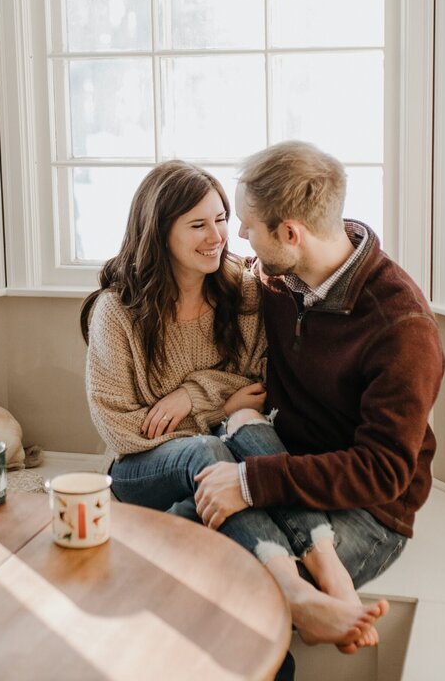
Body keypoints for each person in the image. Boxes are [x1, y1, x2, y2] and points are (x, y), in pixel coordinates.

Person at [81, 160, 386, 651]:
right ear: (158, 233)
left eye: (221, 218)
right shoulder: (118, 312)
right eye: (198, 224)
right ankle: (296, 591)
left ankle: (313, 588)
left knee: (236, 445)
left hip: (221, 457)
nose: (218, 236)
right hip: (140, 469)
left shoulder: (241, 289)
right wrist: (214, 407)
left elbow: (257, 382)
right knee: (215, 446)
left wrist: (191, 397)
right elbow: (122, 427)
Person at [193, 141, 445, 646]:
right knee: (178, 535)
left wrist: (249, 482)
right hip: (286, 466)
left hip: (368, 513)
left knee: (226, 589)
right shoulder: (280, 277)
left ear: (291, 233)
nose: (237, 235)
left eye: (247, 225)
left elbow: (383, 471)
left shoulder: (402, 328)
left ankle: (304, 599)